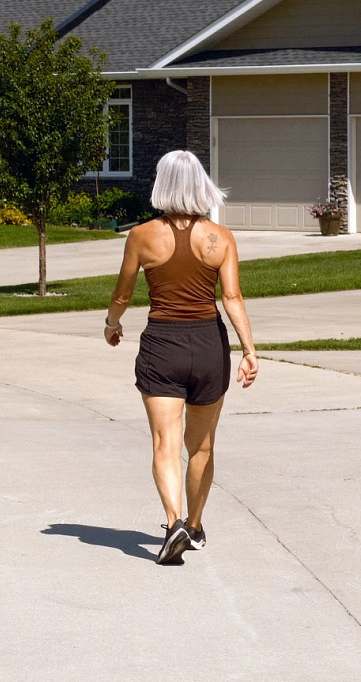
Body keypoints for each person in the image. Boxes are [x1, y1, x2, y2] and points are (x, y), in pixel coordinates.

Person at [103, 150, 258, 566]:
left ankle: (173, 524)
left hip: (163, 346)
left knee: (165, 444)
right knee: (201, 446)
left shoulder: (142, 236)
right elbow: (232, 297)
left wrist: (112, 324)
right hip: (209, 345)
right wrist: (249, 349)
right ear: (201, 185)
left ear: (161, 184)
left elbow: (122, 294)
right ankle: (195, 524)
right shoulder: (220, 238)